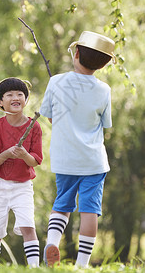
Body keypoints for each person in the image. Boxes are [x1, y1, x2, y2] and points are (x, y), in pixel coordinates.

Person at [39, 31, 116, 268]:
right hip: (93, 161)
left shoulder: (56, 82)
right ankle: (82, 265)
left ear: (77, 53)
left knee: (62, 204)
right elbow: (106, 124)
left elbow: (49, 116)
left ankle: (53, 241)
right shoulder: (104, 90)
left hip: (65, 159)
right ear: (102, 64)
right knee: (89, 210)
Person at [0, 77, 43, 267]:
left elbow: (35, 160)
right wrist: (6, 154)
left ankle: (34, 269)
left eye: (20, 94)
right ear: (0, 102)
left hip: (22, 186)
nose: (15, 97)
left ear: (26, 99)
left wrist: (24, 155)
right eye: (9, 95)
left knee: (28, 226)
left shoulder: (34, 126)